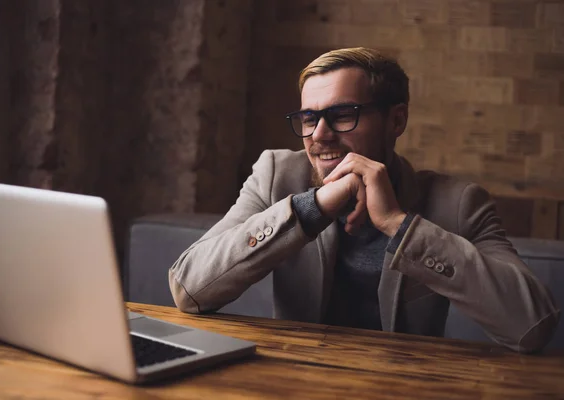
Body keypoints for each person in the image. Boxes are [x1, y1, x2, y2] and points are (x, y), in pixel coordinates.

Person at [169, 47, 559, 353]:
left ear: (396, 121)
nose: (319, 135)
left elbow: (532, 327)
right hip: (291, 382)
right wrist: (312, 207)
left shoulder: (458, 203)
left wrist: (398, 224)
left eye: (342, 115)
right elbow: (189, 290)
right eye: (309, 118)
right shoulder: (276, 175)